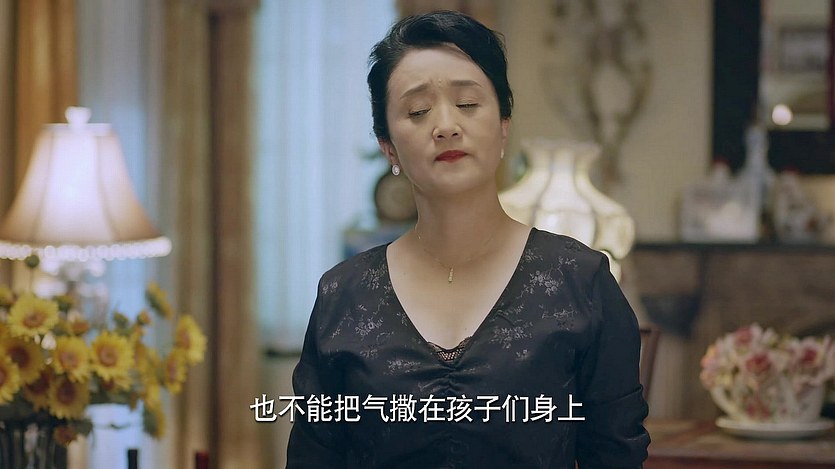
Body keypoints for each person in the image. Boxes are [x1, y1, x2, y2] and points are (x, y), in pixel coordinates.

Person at [286, 10, 649, 468]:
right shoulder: (344, 295)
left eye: (468, 104)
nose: (445, 126)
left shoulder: (581, 281)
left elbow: (617, 455)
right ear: (388, 147)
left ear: (503, 125)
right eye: (418, 112)